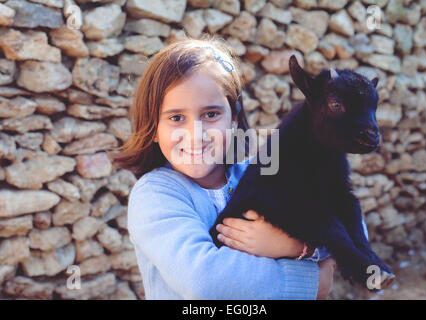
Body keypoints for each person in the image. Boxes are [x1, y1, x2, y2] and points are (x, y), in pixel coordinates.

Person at [109, 35, 340, 300]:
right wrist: (311, 282)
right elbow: (206, 281)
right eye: (176, 118)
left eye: (211, 114)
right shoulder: (155, 196)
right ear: (153, 128)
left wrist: (296, 246)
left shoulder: (263, 172)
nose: (196, 134)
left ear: (234, 119)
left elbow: (345, 218)